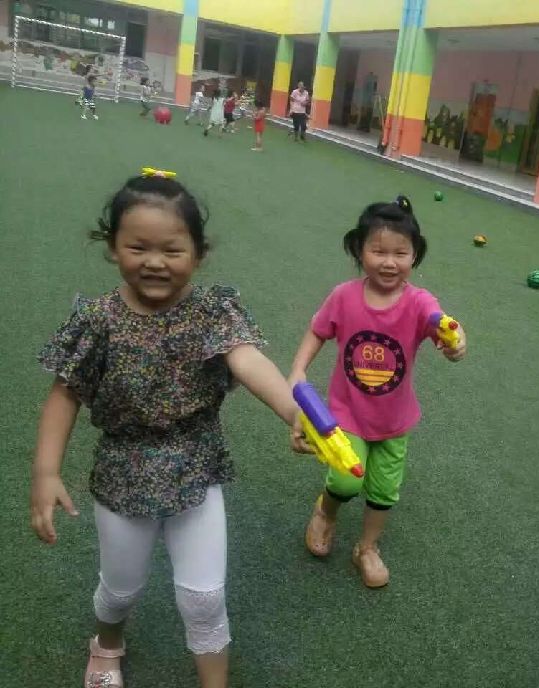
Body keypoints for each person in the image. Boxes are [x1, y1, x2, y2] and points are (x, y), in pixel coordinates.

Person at [30, 172, 307, 688]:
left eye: (172, 250)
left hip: (196, 465)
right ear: (113, 247)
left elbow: (247, 359)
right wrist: (46, 472)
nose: (155, 262)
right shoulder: (98, 320)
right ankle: (106, 643)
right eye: (138, 247)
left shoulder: (211, 312)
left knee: (204, 598)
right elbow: (65, 394)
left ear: (198, 254)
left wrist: (293, 412)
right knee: (120, 590)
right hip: (123, 472)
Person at [288, 196, 466, 588]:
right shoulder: (344, 296)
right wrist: (298, 370)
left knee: (384, 491)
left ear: (414, 255)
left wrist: (455, 341)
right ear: (359, 250)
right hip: (347, 413)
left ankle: (367, 548)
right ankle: (326, 512)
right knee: (346, 482)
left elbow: (441, 323)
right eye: (378, 251)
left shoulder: (419, 302)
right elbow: (318, 331)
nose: (389, 262)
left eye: (401, 253)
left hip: (394, 421)